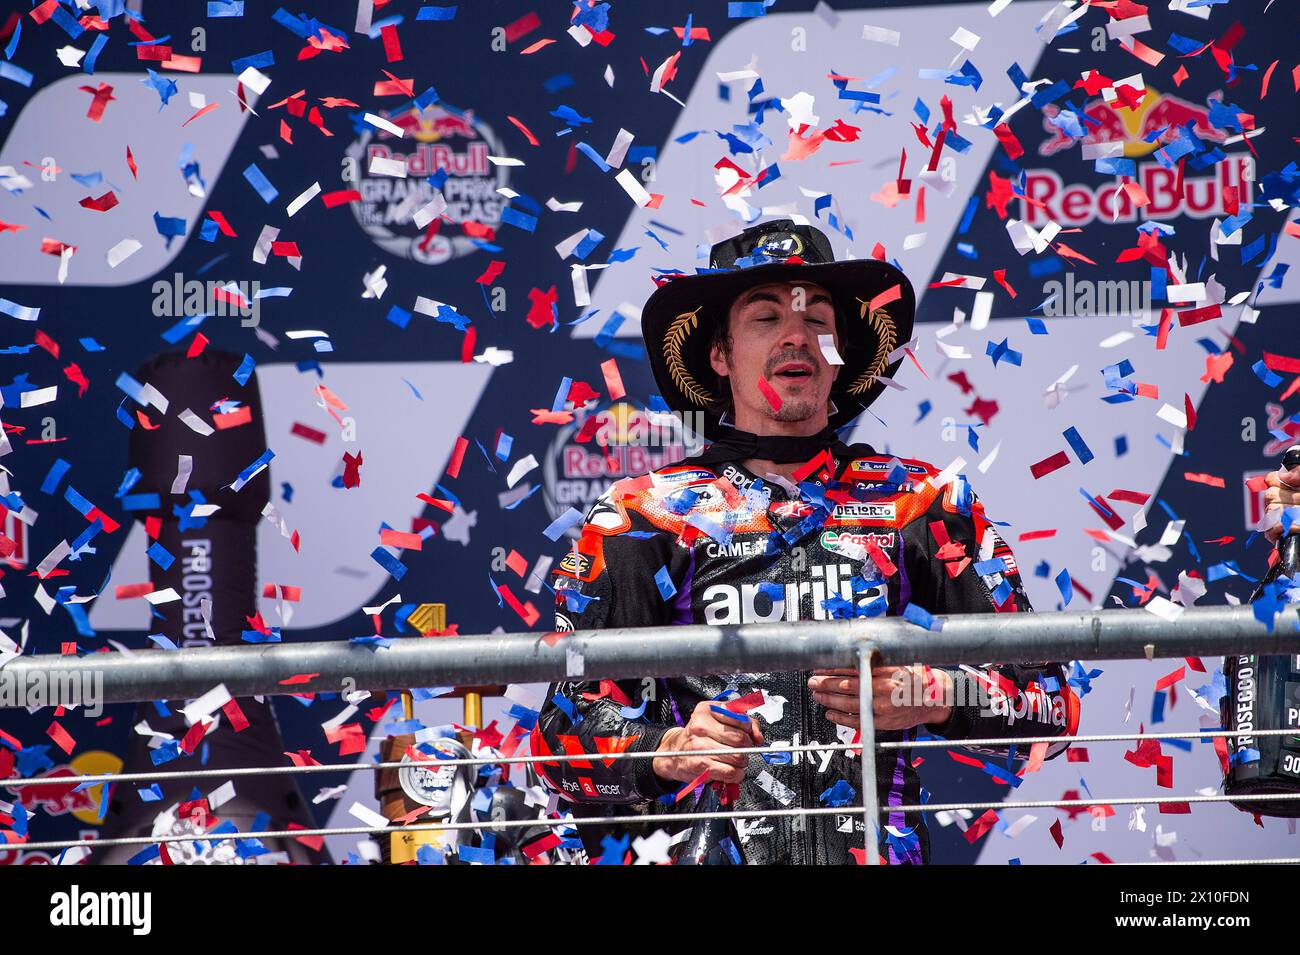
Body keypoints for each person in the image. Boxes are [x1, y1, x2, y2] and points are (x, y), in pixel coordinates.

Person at [532, 219, 1082, 865]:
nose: (798, 334)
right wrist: (668, 750)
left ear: (842, 352)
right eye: (766, 317)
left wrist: (933, 694)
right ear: (719, 355)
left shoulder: (922, 499)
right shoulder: (645, 512)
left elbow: (1053, 713)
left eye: (819, 320)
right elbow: (556, 747)